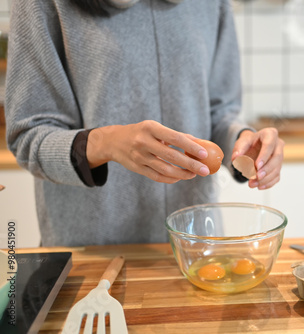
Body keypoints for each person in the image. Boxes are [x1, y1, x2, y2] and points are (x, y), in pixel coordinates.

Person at [5, 0, 284, 247]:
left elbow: (219, 111)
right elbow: (28, 135)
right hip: (91, 254)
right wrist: (108, 143)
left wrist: (245, 143)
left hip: (195, 246)